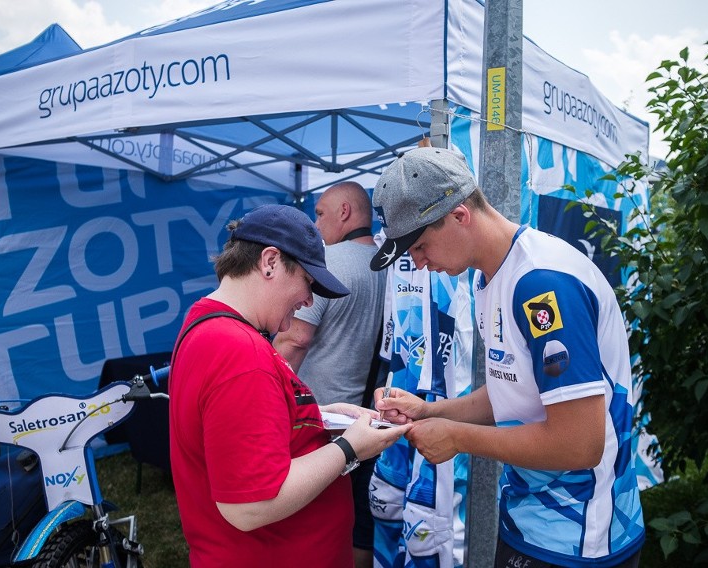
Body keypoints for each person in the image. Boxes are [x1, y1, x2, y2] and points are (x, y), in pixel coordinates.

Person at [370, 147, 645, 567]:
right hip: (527, 523)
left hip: (580, 538)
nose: (419, 264)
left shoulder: (541, 283)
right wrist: (428, 412)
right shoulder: (489, 278)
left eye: (421, 245)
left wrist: (458, 438)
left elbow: (580, 444)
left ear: (460, 215)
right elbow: (510, 391)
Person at [169, 204, 411, 568]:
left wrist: (318, 416)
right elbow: (250, 505)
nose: (308, 300)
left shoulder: (207, 324)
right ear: (269, 262)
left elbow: (235, 429)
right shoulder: (241, 354)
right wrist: (350, 448)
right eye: (307, 282)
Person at [273, 182, 386, 567]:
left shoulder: (331, 261)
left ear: (344, 212)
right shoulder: (389, 267)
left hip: (317, 419)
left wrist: (267, 398)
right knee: (356, 523)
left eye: (321, 213)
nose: (315, 223)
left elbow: (295, 339)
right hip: (364, 420)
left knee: (308, 524)